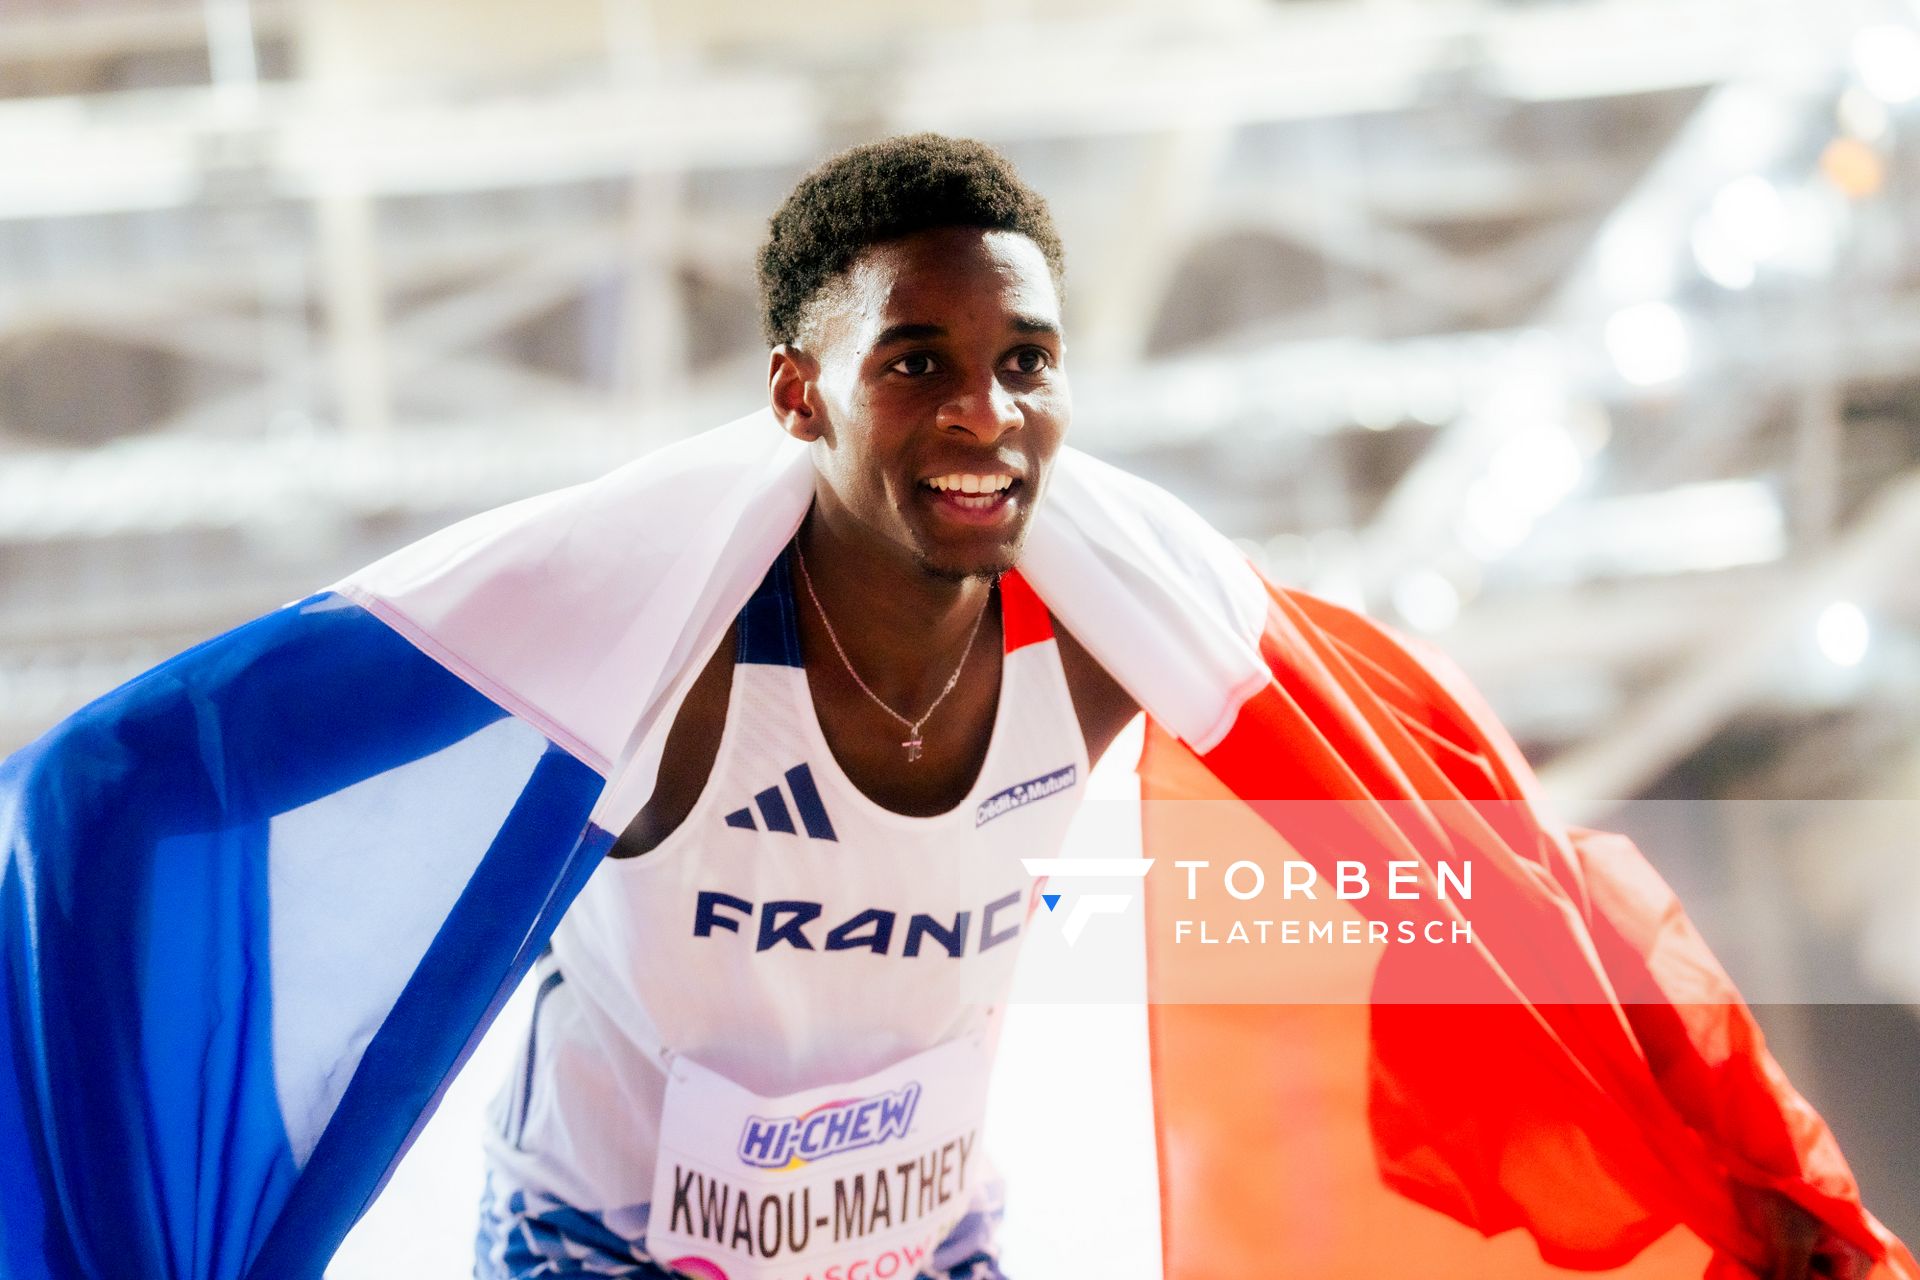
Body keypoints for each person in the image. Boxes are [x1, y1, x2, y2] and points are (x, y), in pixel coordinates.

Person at [466, 135, 1878, 1280]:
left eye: (1025, 361)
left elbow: (1430, 831)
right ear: (796, 395)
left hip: (914, 1243)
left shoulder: (1094, 644)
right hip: (614, 1242)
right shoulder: (678, 654)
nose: (983, 412)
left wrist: (1710, 1147)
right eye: (916, 362)